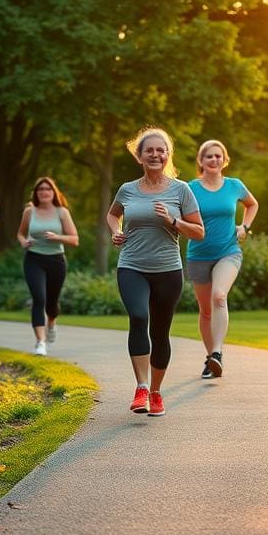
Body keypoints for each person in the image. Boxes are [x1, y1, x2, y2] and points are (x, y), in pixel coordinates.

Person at [106, 127, 203, 417]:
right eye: (149, 150)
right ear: (140, 156)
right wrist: (116, 230)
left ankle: (157, 393)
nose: (155, 154)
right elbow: (113, 214)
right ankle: (142, 387)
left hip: (167, 270)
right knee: (138, 317)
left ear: (167, 155)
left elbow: (198, 231)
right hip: (132, 265)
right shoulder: (127, 189)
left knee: (160, 332)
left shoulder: (181, 189)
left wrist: (173, 220)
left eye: (161, 150)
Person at [186, 140, 259, 379]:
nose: (214, 160)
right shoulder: (190, 188)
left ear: (224, 160)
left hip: (228, 251)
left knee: (219, 296)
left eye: (218, 156)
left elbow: (252, 204)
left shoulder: (234, 185)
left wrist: (245, 227)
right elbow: (178, 215)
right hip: (197, 255)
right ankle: (211, 359)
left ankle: (217, 353)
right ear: (201, 161)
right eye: (209, 156)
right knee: (205, 311)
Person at [17, 177, 79, 356]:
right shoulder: (30, 211)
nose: (44, 192)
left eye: (48, 189)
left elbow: (74, 239)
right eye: (40, 189)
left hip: (56, 261)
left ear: (54, 193)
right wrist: (24, 242)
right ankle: (40, 342)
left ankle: (51, 322)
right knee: (39, 299)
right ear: (36, 193)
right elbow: (20, 234)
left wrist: (57, 237)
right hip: (33, 259)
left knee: (52, 304)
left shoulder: (62, 212)